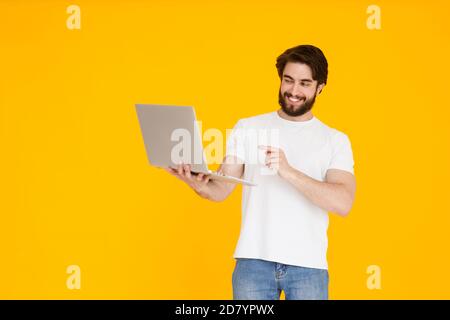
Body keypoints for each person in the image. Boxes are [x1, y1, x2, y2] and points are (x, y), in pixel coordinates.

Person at [165, 45, 356, 300]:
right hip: (253, 263)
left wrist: (287, 171)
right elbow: (221, 189)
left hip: (308, 266)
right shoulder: (248, 127)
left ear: (320, 87)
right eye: (288, 80)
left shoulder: (335, 140)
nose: (294, 91)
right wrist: (196, 182)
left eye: (304, 83)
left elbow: (342, 202)